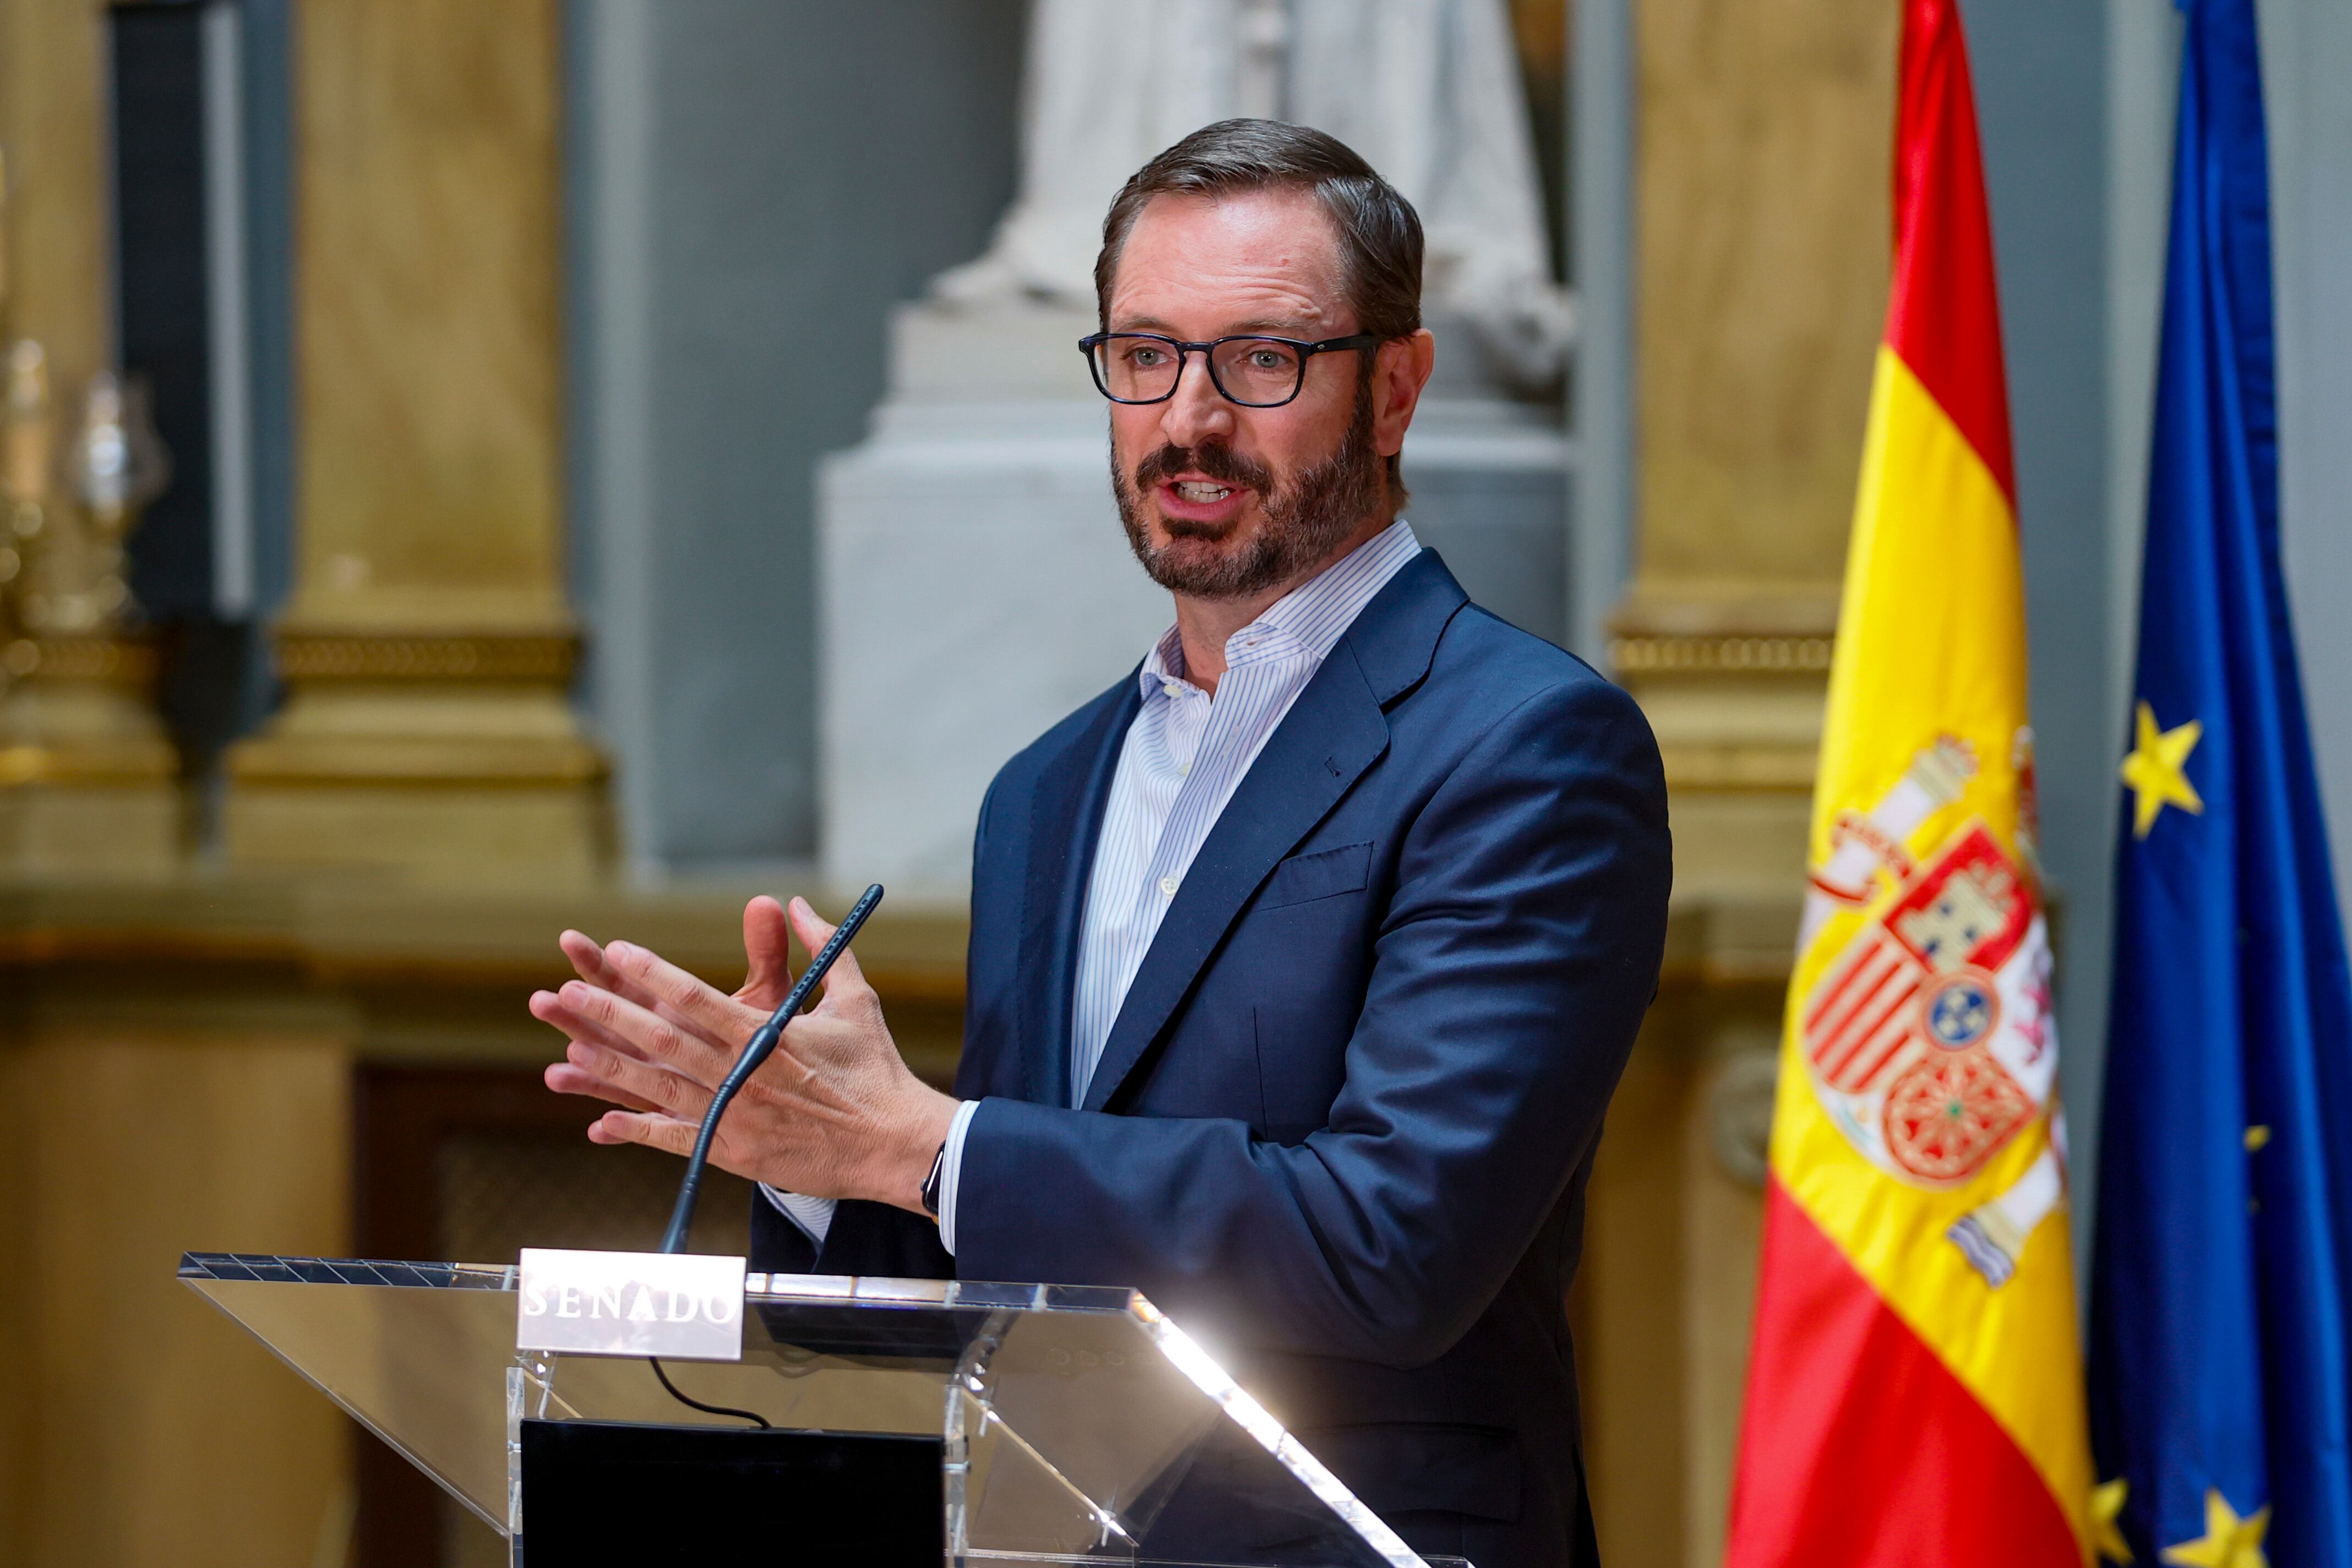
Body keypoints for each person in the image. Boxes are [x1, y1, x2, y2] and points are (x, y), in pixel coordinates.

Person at [532, 119, 1671, 1568]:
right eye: (1145, 355)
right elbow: (1006, 1260)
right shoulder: (1048, 789)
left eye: (1262, 359)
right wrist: (819, 1157)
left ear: (1395, 389)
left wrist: (927, 1144)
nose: (1188, 419)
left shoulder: (1525, 746)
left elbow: (1393, 1242)